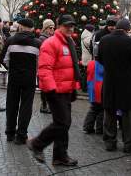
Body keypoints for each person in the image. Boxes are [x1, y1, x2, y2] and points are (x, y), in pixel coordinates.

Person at [27, 15, 80, 167]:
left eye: (72, 26)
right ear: (58, 26)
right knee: (62, 123)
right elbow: (44, 68)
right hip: (55, 90)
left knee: (64, 123)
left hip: (66, 89)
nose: (70, 28)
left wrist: (74, 86)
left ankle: (60, 156)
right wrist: (51, 89)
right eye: (66, 26)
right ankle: (37, 144)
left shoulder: (68, 42)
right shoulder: (51, 43)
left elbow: (70, 66)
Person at [98, 18, 131, 153]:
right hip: (126, 82)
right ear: (127, 29)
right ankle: (128, 142)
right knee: (127, 112)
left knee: (109, 110)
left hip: (109, 80)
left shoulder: (104, 40)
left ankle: (110, 141)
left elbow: (99, 58)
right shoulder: (130, 42)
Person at [0, 18, 41, 144]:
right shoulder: (37, 43)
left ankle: (10, 133)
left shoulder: (10, 40)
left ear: (20, 27)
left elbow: (3, 59)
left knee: (12, 104)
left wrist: (11, 68)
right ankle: (21, 135)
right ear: (32, 28)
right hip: (29, 78)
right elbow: (40, 62)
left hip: (14, 77)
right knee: (26, 106)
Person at [82, 58, 104, 135]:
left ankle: (88, 127)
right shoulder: (103, 63)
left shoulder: (91, 63)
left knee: (94, 108)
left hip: (92, 86)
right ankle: (99, 128)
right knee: (101, 109)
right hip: (100, 87)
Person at [38, 19, 55, 114]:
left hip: (50, 66)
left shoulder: (50, 38)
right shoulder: (42, 39)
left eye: (53, 27)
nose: (52, 29)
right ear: (45, 28)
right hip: (44, 66)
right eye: (50, 27)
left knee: (47, 87)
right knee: (45, 88)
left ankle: (45, 105)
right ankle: (44, 105)